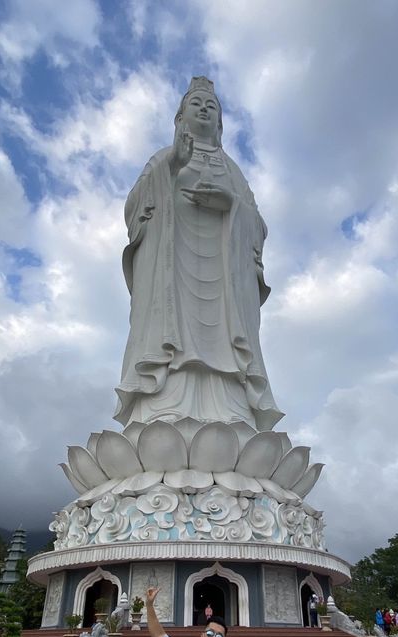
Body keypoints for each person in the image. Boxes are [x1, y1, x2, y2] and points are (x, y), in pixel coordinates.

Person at [115, 76, 283, 430]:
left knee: (224, 340)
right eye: (196, 104)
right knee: (168, 332)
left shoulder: (233, 171)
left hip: (224, 279)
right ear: (180, 118)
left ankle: (232, 413)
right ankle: (160, 410)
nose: (204, 109)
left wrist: (231, 204)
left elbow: (257, 225)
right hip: (172, 267)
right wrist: (172, 165)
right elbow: (134, 210)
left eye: (212, 107)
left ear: (220, 124)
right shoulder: (163, 160)